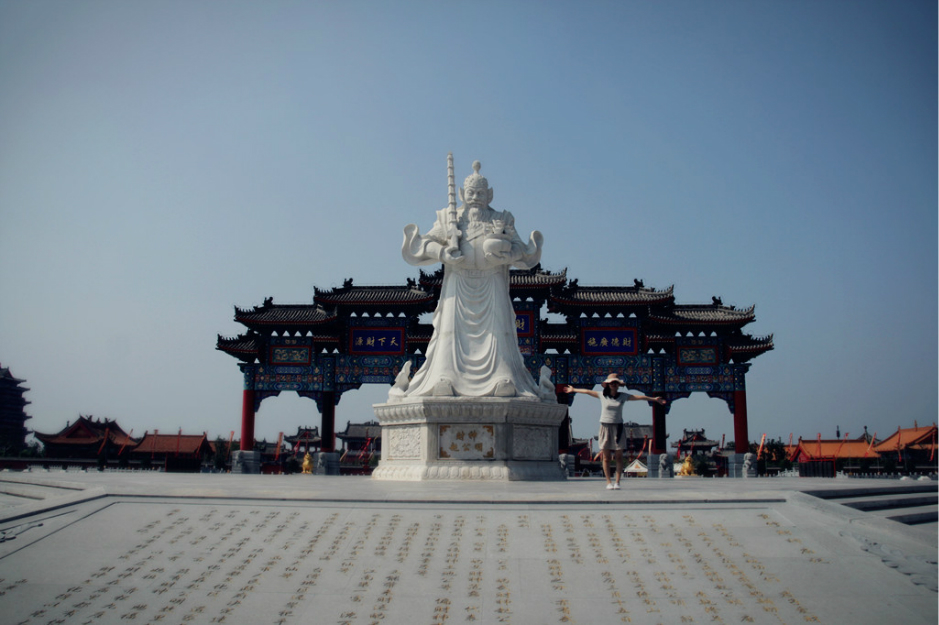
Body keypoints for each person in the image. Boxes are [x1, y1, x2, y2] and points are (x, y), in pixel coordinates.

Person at [400, 160, 546, 398]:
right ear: (461, 194)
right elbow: (425, 243)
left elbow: (522, 250)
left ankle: (502, 377)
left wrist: (508, 254)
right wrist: (443, 252)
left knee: (498, 332)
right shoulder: (449, 218)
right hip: (458, 284)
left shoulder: (503, 219)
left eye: (480, 193)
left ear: (490, 194)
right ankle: (445, 377)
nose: (476, 197)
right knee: (450, 333)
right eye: (471, 192)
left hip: (492, 283)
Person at [564, 373, 666, 489]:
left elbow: (638, 397)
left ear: (618, 385)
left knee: (618, 456)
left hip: (618, 428)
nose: (614, 384)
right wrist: (573, 389)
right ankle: (608, 482)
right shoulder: (602, 395)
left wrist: (654, 399)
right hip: (605, 427)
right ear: (608, 384)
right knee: (606, 457)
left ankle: (617, 482)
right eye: (612, 383)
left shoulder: (623, 396)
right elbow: (587, 391)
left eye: (616, 383)